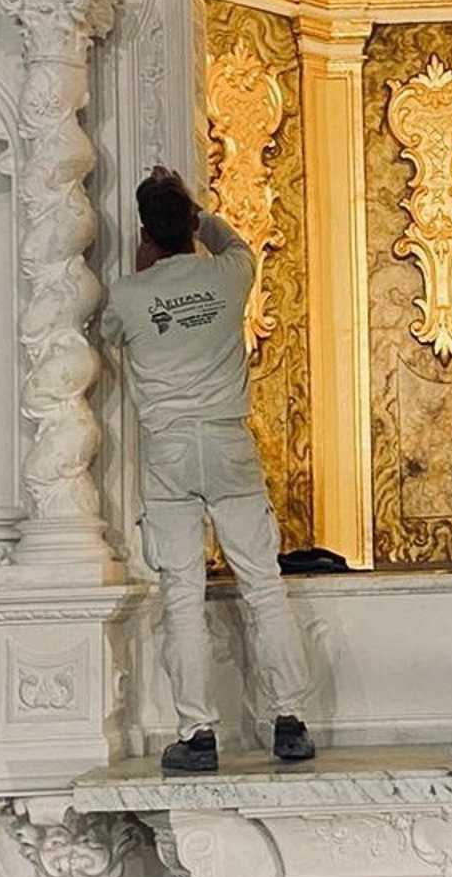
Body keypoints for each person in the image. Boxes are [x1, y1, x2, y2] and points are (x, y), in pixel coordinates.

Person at [109, 164, 316, 773]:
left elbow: (111, 333)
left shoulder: (127, 294)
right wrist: (197, 214)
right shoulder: (228, 274)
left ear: (145, 234)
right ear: (191, 224)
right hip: (228, 443)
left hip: (169, 451)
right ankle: (289, 722)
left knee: (182, 597)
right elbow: (235, 244)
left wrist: (150, 270)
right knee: (264, 587)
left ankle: (197, 734)